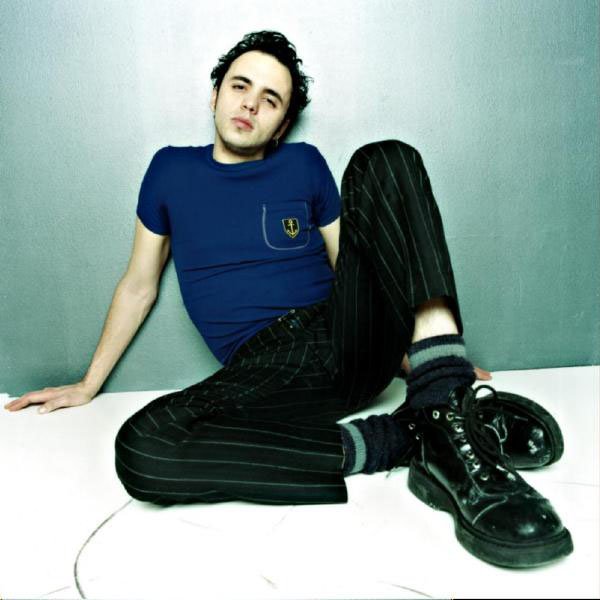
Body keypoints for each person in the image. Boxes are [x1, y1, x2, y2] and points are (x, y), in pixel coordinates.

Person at [5, 31, 572, 568]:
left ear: (280, 124)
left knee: (387, 157)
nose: (250, 104)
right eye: (240, 86)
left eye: (270, 99)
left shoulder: (303, 164)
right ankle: (410, 436)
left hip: (343, 332)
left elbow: (360, 269)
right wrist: (89, 383)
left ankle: (443, 399)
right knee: (142, 447)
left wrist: (421, 363)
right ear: (215, 95)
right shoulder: (169, 170)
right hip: (264, 368)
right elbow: (138, 285)